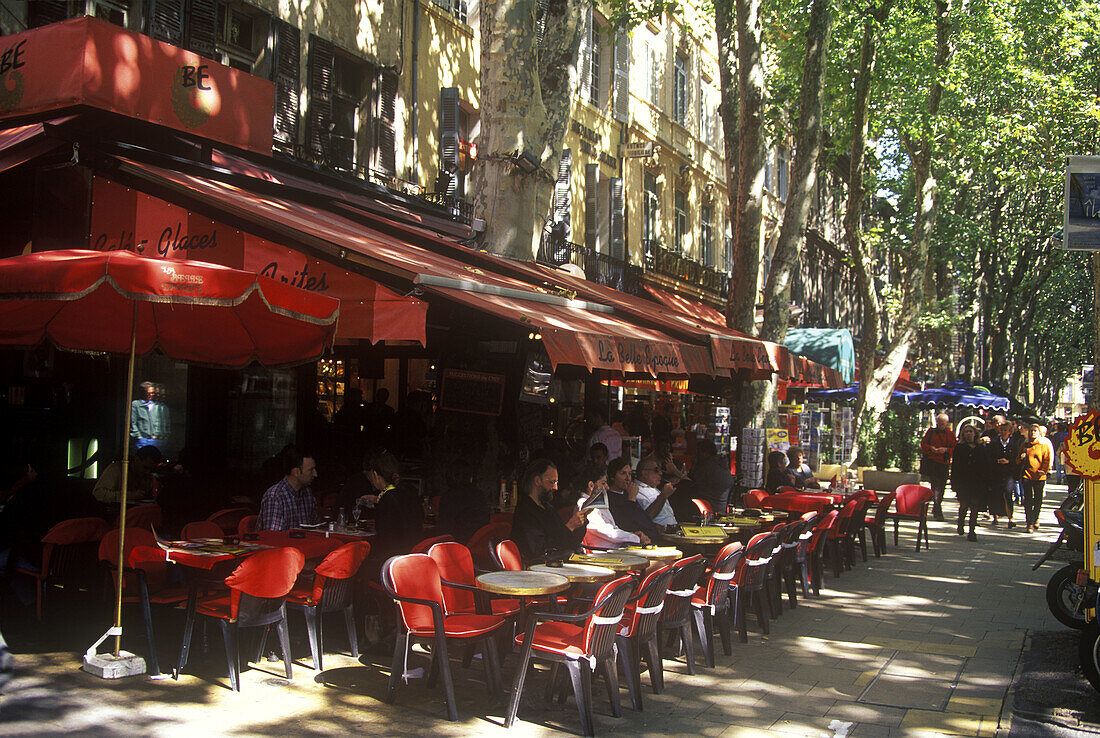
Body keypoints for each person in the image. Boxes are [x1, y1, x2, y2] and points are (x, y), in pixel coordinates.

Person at [510, 459, 586, 562]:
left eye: (556, 482)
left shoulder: (548, 508)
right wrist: (569, 526)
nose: (556, 487)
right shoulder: (525, 511)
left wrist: (580, 524)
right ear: (537, 481)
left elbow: (568, 542)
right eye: (552, 482)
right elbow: (539, 550)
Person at [356, 451, 423, 563]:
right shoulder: (409, 492)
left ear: (375, 475)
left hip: (392, 562)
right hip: (413, 557)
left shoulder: (387, 499)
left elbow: (385, 540)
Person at [579, 464, 647, 548]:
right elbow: (604, 531)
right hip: (600, 552)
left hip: (615, 548)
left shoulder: (599, 504)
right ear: (591, 486)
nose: (607, 487)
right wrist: (635, 538)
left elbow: (614, 528)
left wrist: (632, 535)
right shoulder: (582, 503)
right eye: (603, 483)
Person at [257, 447, 320, 531]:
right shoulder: (275, 496)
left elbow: (315, 528)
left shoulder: (307, 493)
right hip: (282, 543)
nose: (315, 474)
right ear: (296, 472)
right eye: (311, 470)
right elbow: (272, 537)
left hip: (303, 542)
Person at [606, 457, 660, 543]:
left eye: (629, 474)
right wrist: (631, 500)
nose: (628, 478)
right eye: (623, 473)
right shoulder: (609, 498)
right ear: (612, 476)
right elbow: (625, 524)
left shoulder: (627, 493)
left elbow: (643, 519)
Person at [437, 457, 490, 543]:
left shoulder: (449, 497)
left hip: (454, 546)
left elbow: (443, 530)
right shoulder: (479, 494)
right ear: (470, 477)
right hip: (477, 543)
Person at [951, 425, 989, 542]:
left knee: (975, 506)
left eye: (970, 431)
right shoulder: (959, 448)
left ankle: (972, 530)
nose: (968, 434)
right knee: (964, 505)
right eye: (966, 432)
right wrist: (954, 483)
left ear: (975, 434)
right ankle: (961, 522)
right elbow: (955, 466)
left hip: (976, 481)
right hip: (963, 481)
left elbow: (985, 465)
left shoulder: (981, 448)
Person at [93, 444, 163, 505]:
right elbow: (99, 494)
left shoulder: (148, 476)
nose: (148, 472)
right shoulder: (116, 469)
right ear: (137, 460)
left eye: (151, 470)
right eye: (145, 467)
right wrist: (129, 496)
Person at [920, 413, 957, 521]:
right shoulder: (931, 432)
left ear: (946, 423)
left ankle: (937, 506)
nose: (941, 425)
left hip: (944, 463)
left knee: (942, 486)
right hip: (932, 462)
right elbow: (923, 444)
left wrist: (945, 450)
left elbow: (955, 448)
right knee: (935, 486)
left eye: (943, 424)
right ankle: (938, 508)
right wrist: (931, 448)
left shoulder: (950, 434)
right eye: (939, 423)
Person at [987, 418, 1022, 528]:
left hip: (1008, 473)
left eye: (1005, 430)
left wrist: (1009, 461)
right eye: (1001, 430)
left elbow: (1017, 459)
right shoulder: (994, 443)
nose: (1003, 432)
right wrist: (997, 461)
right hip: (996, 472)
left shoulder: (1014, 444)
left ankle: (1010, 518)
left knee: (1008, 493)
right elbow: (989, 457)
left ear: (1010, 432)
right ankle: (995, 516)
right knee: (996, 493)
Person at [1018, 423, 1052, 533]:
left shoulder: (1043, 446)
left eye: (1035, 431)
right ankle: (1029, 523)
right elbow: (1017, 459)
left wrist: (1044, 470)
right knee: (1027, 500)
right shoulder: (1025, 445)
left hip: (1039, 476)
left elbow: (1047, 459)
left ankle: (1036, 517)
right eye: (1031, 430)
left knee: (1038, 499)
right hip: (1026, 475)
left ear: (1039, 433)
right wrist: (1021, 458)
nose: (1033, 432)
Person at [687, 440, 734, 512]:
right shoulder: (722, 465)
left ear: (705, 453)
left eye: (698, 453)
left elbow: (691, 483)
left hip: (708, 507)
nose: (695, 455)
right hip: (721, 507)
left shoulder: (707, 466)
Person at [633, 455, 677, 527]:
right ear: (644, 473)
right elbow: (646, 518)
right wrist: (663, 495)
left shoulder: (654, 488)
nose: (660, 473)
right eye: (656, 470)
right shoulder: (636, 490)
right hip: (659, 534)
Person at [130, 381, 168, 451]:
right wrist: (139, 436)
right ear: (143, 392)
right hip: (143, 440)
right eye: (149, 393)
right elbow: (132, 422)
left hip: (155, 439)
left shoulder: (155, 405)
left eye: (152, 393)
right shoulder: (136, 404)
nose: (151, 395)